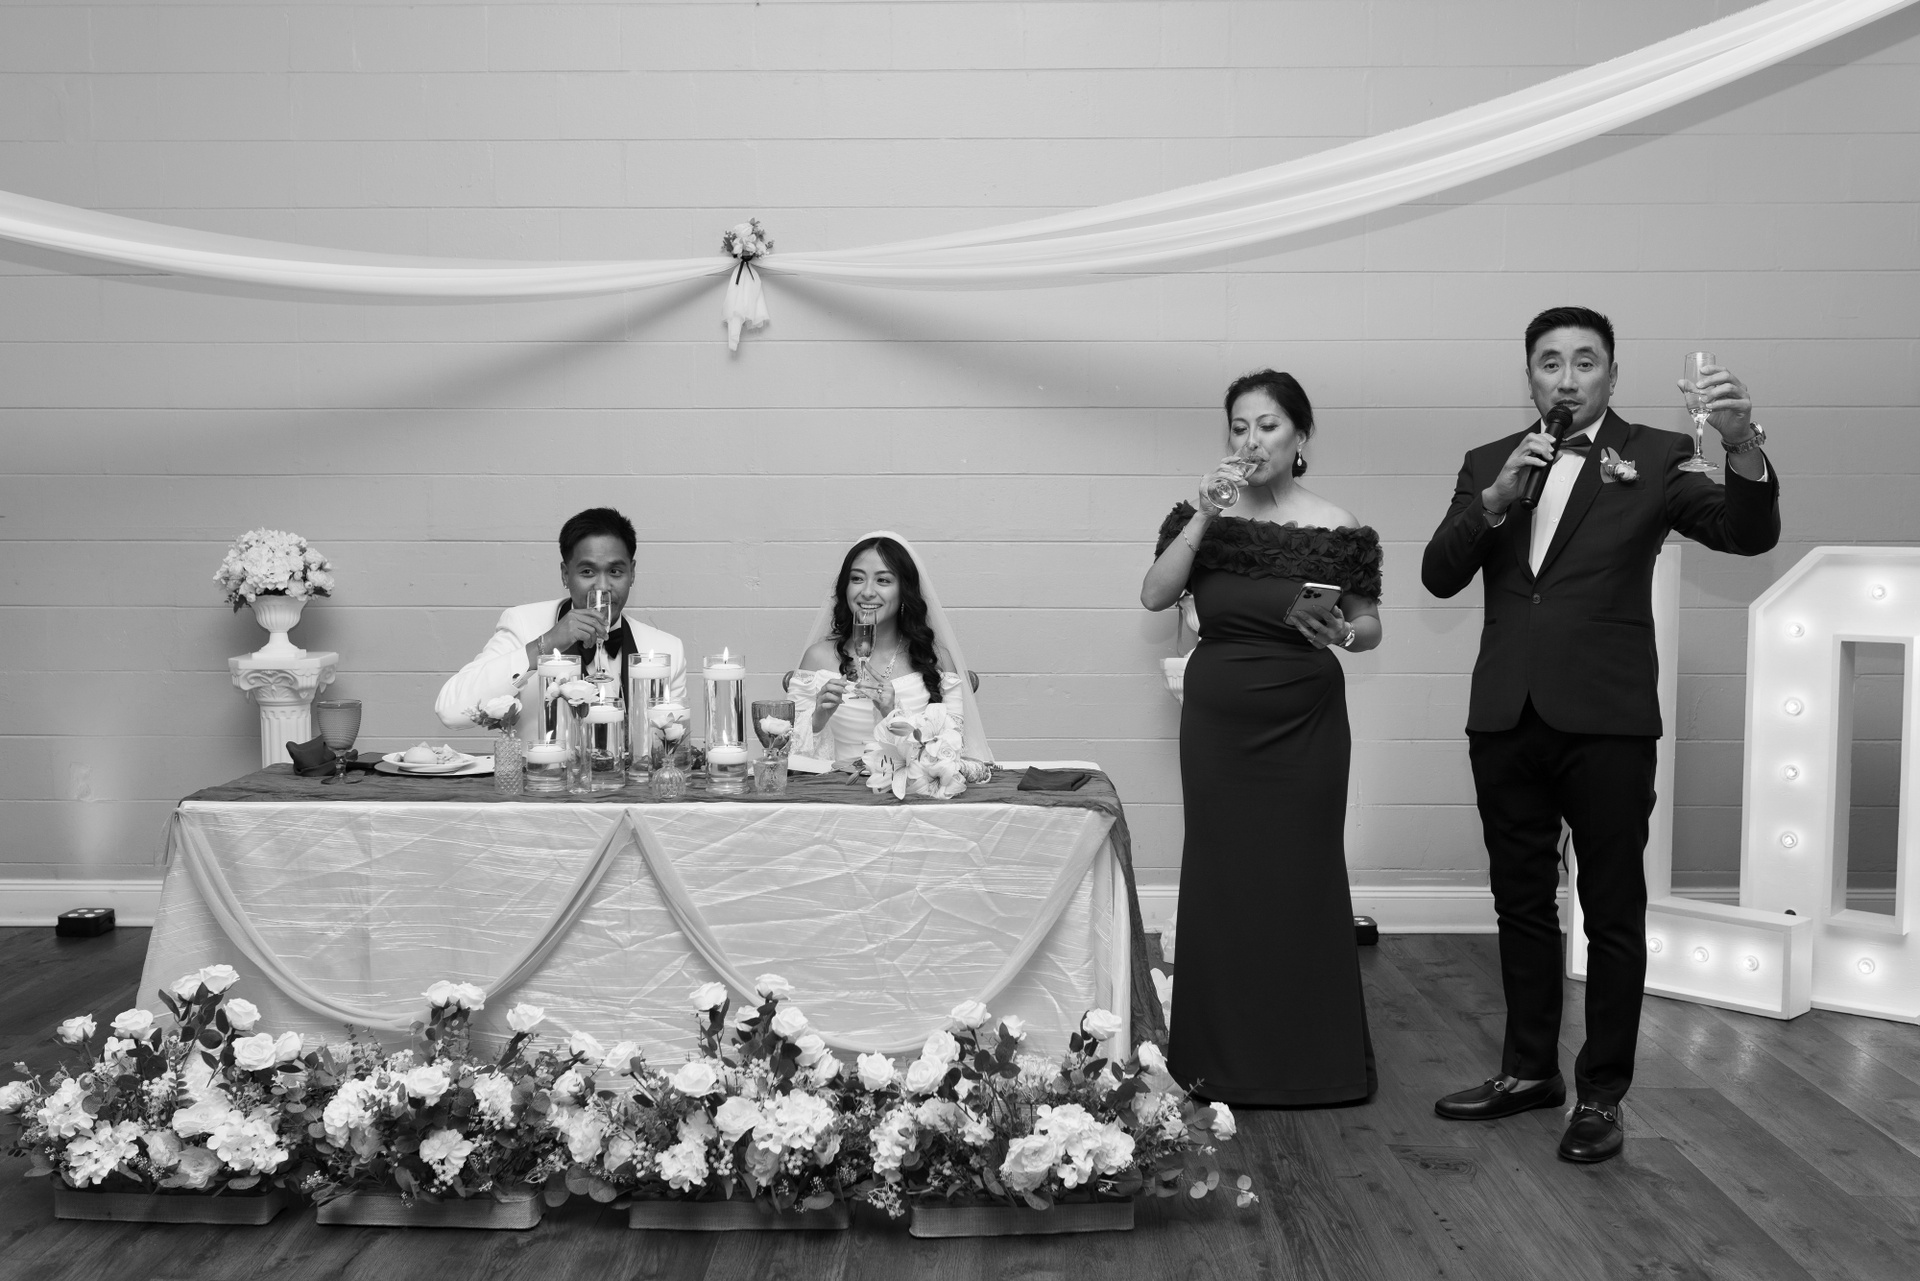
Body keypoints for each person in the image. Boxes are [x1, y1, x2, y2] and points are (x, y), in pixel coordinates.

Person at [1421, 306, 1780, 1164]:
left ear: (1612, 376)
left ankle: (1602, 1095)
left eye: (1586, 361)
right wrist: (1495, 500)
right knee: (1520, 902)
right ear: (1530, 377)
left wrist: (1742, 444)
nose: (1567, 376)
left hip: (1609, 723)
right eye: (1550, 362)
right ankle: (1527, 1071)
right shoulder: (1488, 462)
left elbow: (1745, 532)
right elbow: (1439, 575)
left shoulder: (1656, 455)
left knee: (1613, 910)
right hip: (1506, 716)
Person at [1141, 370, 1383, 1107]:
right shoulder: (1202, 516)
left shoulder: (1336, 524)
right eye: (1240, 427)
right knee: (1223, 876)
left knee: (1302, 874)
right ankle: (1216, 1060)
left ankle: (1313, 1060)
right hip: (1219, 727)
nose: (1252, 440)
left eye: (1268, 425)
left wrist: (1343, 632)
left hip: (1306, 726)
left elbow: (1369, 626)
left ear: (1300, 435)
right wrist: (1204, 515)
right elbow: (1155, 594)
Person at [435, 507, 686, 730]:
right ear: (565, 574)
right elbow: (450, 712)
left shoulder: (667, 650)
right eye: (587, 571)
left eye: (615, 571)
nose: (602, 587)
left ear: (632, 574)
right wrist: (545, 645)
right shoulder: (522, 624)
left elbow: (672, 746)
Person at [789, 532, 992, 767]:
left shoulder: (937, 659)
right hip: (838, 786)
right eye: (857, 578)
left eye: (883, 580)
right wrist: (817, 719)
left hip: (911, 787)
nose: (867, 592)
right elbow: (784, 751)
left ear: (904, 590)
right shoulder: (817, 657)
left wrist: (892, 713)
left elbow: (954, 751)